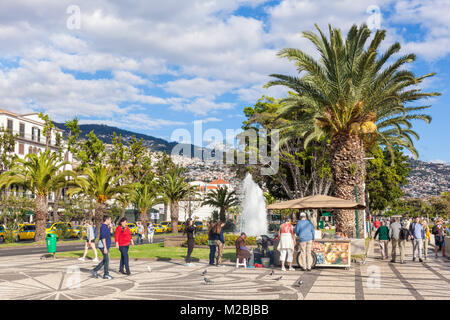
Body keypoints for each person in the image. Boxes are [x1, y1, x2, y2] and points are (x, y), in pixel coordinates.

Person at [91, 215, 113, 279]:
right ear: (107, 220)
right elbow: (103, 238)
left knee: (105, 260)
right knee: (107, 260)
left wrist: (111, 227)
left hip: (106, 246)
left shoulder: (107, 227)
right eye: (110, 220)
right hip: (103, 246)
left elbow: (111, 234)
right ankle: (105, 274)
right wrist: (105, 248)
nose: (110, 221)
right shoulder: (103, 227)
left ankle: (95, 270)